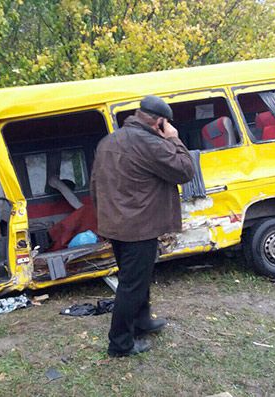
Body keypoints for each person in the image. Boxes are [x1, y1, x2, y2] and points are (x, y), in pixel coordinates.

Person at [90, 95, 195, 357]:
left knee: (136, 278)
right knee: (132, 285)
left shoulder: (109, 141)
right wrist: (173, 138)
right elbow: (184, 170)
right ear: (160, 122)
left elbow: (95, 185)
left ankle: (142, 321)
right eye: (165, 124)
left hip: (117, 225)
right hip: (138, 226)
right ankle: (120, 343)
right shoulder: (150, 142)